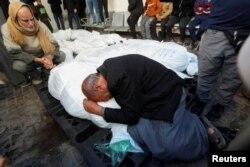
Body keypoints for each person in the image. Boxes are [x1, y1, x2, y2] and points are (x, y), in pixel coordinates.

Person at [81, 54, 221, 164]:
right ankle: (187, 123)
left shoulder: (118, 78)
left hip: (169, 97)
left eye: (101, 99)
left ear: (98, 87)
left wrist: (98, 110)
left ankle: (203, 133)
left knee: (172, 145)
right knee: (138, 132)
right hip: (152, 100)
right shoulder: (108, 70)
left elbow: (131, 116)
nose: (105, 101)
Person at [191, 0, 250, 121]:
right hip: (215, 32)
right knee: (205, 72)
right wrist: (203, 18)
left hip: (245, 37)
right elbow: (199, 5)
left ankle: (220, 104)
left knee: (233, 79)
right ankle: (201, 100)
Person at [1, 1, 65, 85]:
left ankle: (45, 70)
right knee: (18, 66)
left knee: (62, 55)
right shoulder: (7, 29)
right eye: (25, 21)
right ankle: (35, 75)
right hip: (29, 60)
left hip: (44, 55)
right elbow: (15, 53)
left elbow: (54, 44)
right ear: (15, 19)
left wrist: (49, 58)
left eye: (32, 19)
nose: (31, 24)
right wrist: (38, 60)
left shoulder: (39, 24)